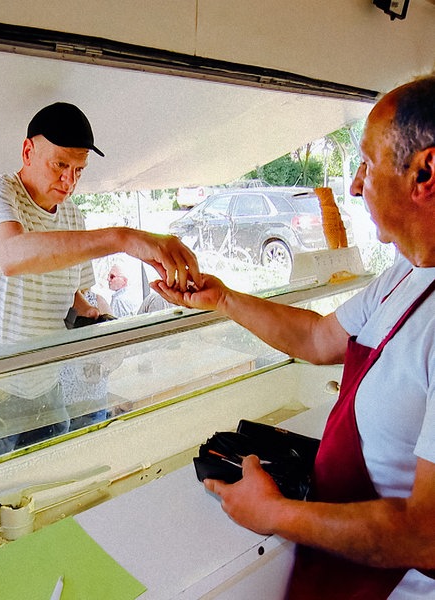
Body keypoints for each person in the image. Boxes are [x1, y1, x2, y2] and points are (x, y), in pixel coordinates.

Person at [152, 75, 435, 599]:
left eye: (367, 165)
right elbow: (318, 337)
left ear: (425, 172)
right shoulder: (408, 270)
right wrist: (224, 298)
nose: (353, 185)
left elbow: (427, 534)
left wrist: (275, 513)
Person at [0, 101, 200, 457]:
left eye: (79, 170)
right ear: (28, 151)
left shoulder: (72, 214)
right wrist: (122, 238)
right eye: (60, 165)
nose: (69, 180)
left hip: (45, 382)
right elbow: (11, 255)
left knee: (56, 485)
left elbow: (73, 294)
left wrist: (101, 325)